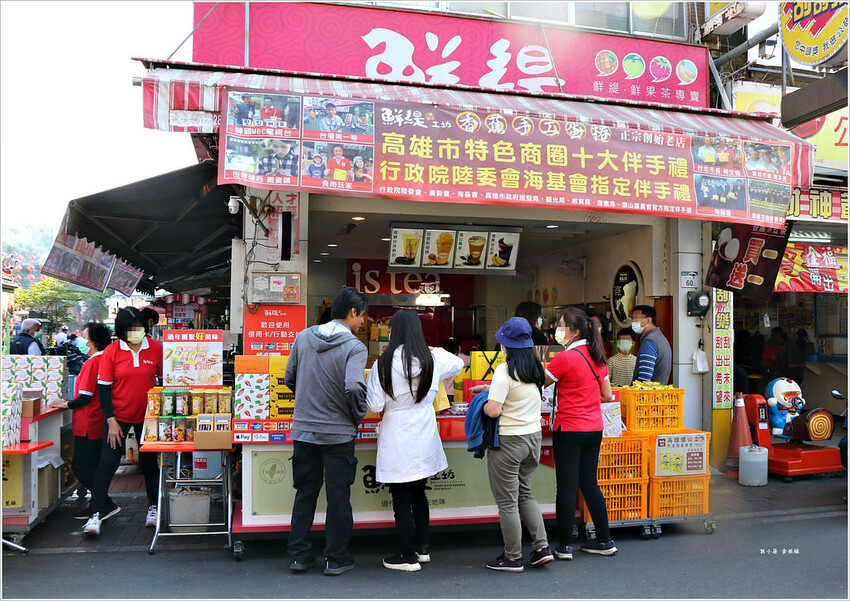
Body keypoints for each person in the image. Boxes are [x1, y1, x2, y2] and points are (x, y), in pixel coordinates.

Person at [366, 309, 463, 572]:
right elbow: (458, 363)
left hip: (397, 432)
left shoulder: (382, 364)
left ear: (393, 332)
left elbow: (374, 404)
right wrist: (432, 348)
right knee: (419, 492)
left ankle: (407, 556)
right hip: (423, 430)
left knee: (401, 495)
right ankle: (422, 549)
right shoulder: (431, 359)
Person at [284, 287, 369, 576]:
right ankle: (336, 558)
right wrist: (355, 415)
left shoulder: (303, 337)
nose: (362, 323)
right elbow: (355, 386)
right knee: (338, 497)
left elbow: (289, 377)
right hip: (339, 436)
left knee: (305, 494)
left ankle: (298, 556)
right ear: (353, 312)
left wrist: (307, 399)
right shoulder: (355, 347)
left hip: (304, 432)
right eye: (362, 317)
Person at [471, 317, 553, 572]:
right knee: (525, 494)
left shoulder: (504, 370)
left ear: (506, 345)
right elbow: (520, 391)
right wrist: (489, 388)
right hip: (532, 439)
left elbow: (494, 411)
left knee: (507, 502)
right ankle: (542, 548)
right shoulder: (536, 368)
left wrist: (482, 403)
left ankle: (512, 557)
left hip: (509, 442)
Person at [83, 307, 162, 537]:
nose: (136, 333)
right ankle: (96, 513)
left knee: (149, 463)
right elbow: (104, 389)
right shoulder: (111, 352)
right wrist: (112, 420)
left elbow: (165, 381)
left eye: (139, 328)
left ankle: (153, 507)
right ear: (121, 331)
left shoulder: (156, 349)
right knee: (107, 463)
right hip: (118, 418)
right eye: (131, 330)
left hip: (149, 418)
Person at [545, 307, 616, 558]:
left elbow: (539, 383)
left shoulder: (565, 358)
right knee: (589, 484)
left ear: (574, 332)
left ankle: (565, 545)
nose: (558, 329)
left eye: (561, 325)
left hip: (569, 428)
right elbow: (607, 395)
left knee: (565, 487)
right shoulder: (598, 356)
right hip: (594, 428)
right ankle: (605, 540)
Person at [48, 323, 113, 516]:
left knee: (81, 466)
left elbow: (85, 396)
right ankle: (100, 504)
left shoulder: (93, 362)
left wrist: (65, 404)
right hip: (97, 419)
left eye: (85, 336)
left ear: (93, 342)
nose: (82, 340)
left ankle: (104, 503)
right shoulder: (105, 360)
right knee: (92, 465)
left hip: (89, 420)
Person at [630, 305, 672, 385]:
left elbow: (644, 379)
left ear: (648, 320)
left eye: (636, 319)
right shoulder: (660, 338)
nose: (633, 322)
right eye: (633, 319)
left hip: (648, 395)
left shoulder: (649, 343)